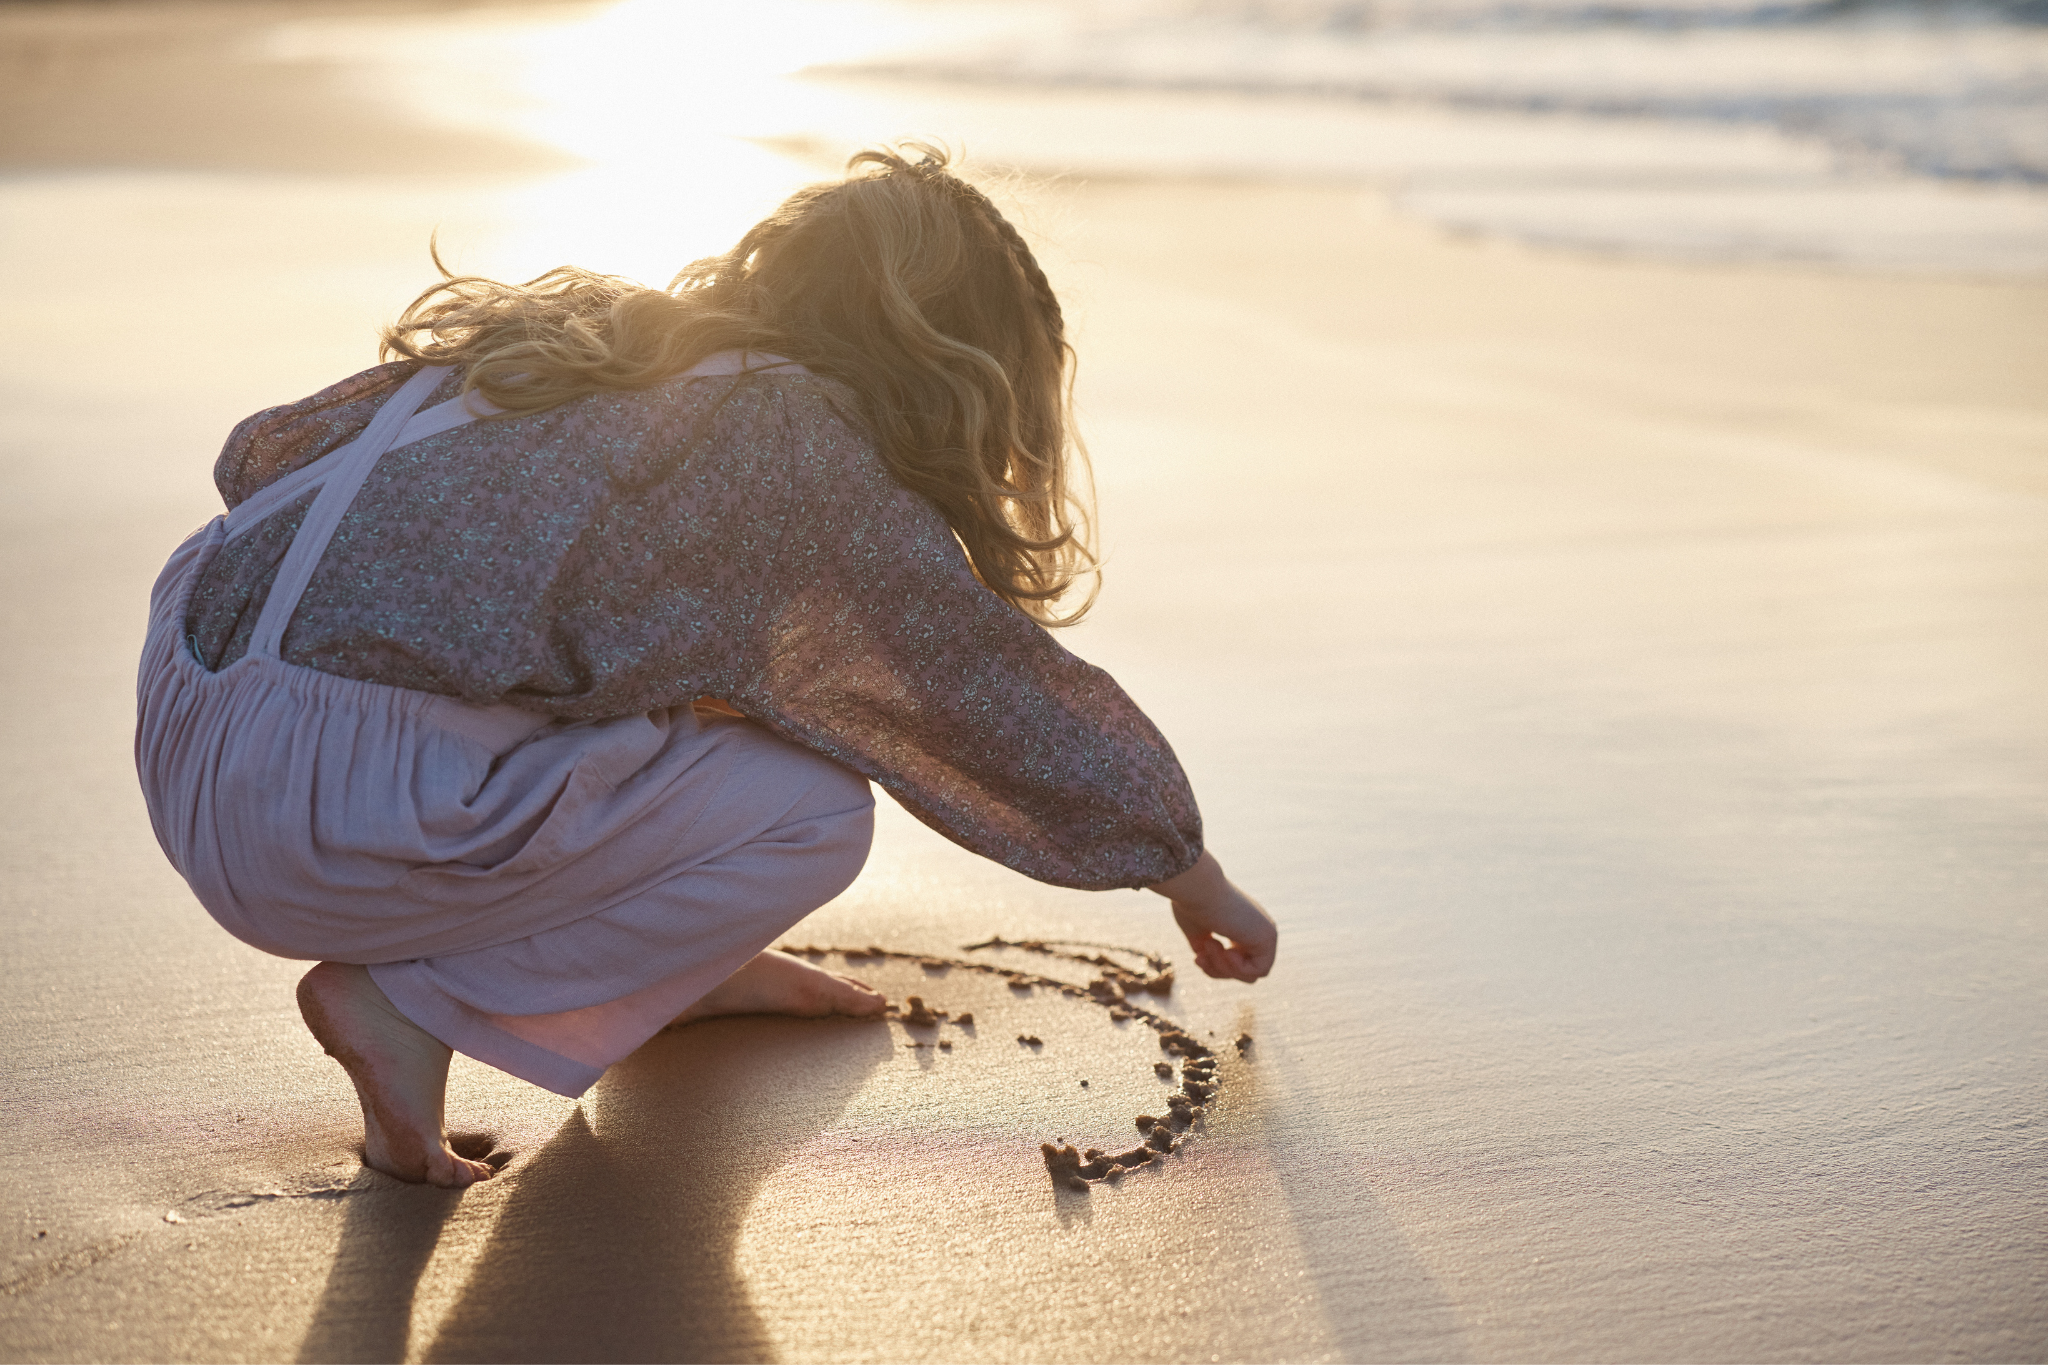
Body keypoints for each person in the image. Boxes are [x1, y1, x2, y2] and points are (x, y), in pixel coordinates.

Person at [135, 145, 1277, 1189]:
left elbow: (261, 458)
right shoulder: (784, 441)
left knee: (725, 677)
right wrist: (1182, 864)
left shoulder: (601, 353)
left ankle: (668, 974)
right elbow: (983, 693)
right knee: (810, 810)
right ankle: (410, 1005)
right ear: (949, 360)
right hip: (319, 807)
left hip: (196, 720)